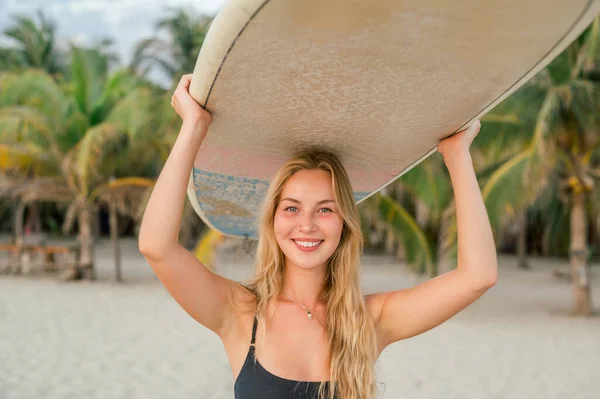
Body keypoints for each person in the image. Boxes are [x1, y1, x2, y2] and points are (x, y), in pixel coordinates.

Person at [138, 74, 498, 399]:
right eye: (292, 208)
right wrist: (193, 128)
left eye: (325, 209)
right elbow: (156, 247)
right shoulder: (240, 312)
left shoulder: (369, 320)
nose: (307, 224)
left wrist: (456, 155)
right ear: (272, 220)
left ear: (344, 222)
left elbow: (477, 277)